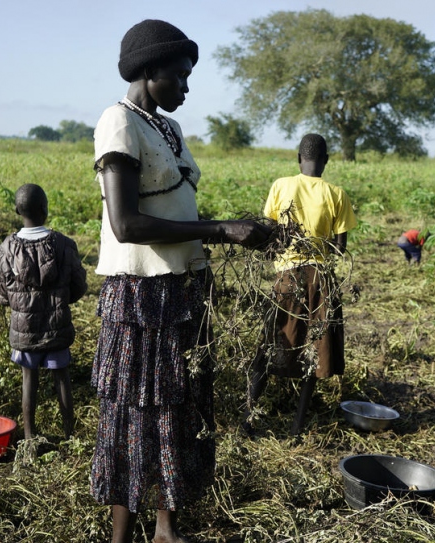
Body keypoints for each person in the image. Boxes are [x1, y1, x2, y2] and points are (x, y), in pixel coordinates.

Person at [89, 19, 272, 543]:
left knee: (178, 408)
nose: (186, 89)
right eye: (180, 76)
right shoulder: (118, 123)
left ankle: (167, 529)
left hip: (183, 291)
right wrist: (221, 231)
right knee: (133, 413)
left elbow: (175, 207)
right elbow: (128, 225)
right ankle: (122, 534)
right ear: (148, 71)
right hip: (141, 299)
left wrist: (235, 233)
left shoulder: (167, 128)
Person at [245, 133, 357, 436]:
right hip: (320, 280)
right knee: (314, 348)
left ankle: (249, 418)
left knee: (270, 343)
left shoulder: (281, 186)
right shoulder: (336, 193)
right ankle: (297, 425)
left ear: (298, 158)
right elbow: (340, 247)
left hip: (288, 277)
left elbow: (269, 233)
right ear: (326, 160)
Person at [0, 184, 87, 441]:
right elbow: (78, 286)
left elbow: (3, 296)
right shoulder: (65, 245)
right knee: (62, 378)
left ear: (16, 210)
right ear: (46, 210)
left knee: (28, 380)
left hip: (24, 331)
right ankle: (70, 436)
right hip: (58, 325)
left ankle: (29, 436)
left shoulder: (4, 250)